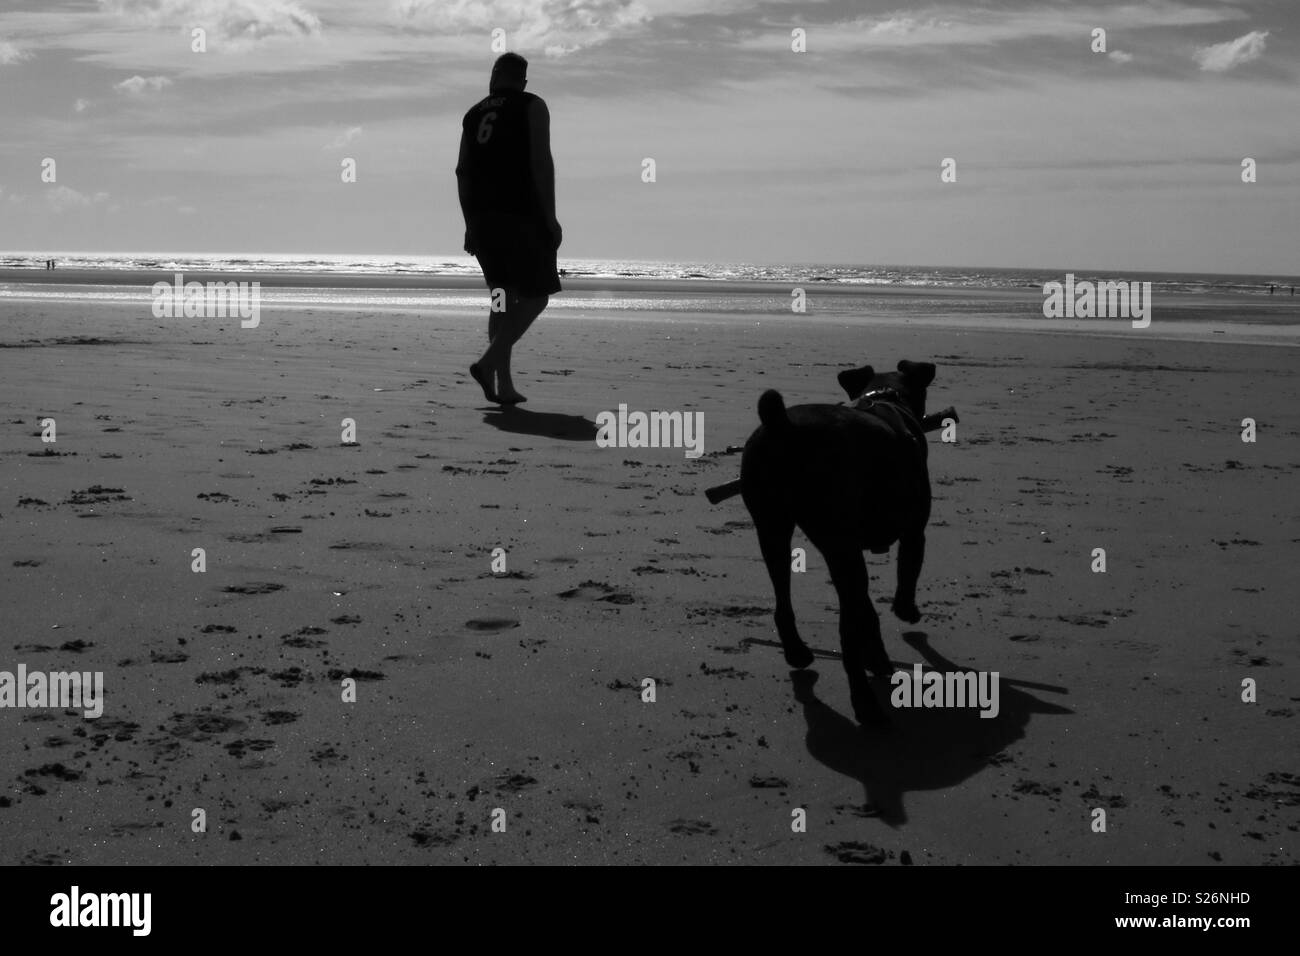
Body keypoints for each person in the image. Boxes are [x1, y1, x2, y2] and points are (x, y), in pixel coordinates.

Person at [456, 52, 562, 405]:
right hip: (521, 217)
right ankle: (488, 365)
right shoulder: (532, 104)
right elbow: (541, 162)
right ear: (524, 80)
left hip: (484, 221)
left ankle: (503, 385)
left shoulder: (473, 114)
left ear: (495, 76)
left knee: (501, 296)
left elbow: (462, 172)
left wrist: (470, 222)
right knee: (536, 295)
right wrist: (550, 216)